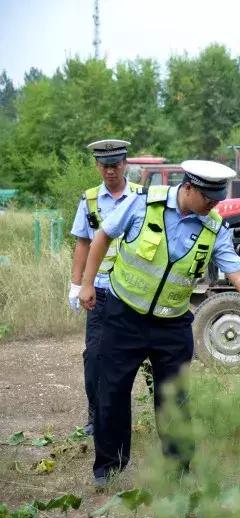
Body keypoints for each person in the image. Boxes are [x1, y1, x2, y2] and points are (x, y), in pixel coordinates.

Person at [78, 160, 240, 487]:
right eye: (208, 198)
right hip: (124, 318)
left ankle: (177, 473)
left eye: (217, 200)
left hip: (172, 326)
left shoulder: (214, 227)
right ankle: (108, 469)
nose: (214, 205)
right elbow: (103, 236)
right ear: (188, 188)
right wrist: (87, 283)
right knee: (112, 395)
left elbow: (238, 273)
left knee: (175, 401)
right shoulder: (143, 203)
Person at [68, 139, 141, 436]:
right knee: (95, 356)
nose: (111, 171)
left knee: (142, 354)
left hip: (136, 291)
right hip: (99, 290)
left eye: (116, 165)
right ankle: (95, 416)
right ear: (98, 166)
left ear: (125, 164)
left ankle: (157, 412)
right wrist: (75, 285)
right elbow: (83, 243)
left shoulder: (142, 197)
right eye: (105, 166)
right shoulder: (89, 200)